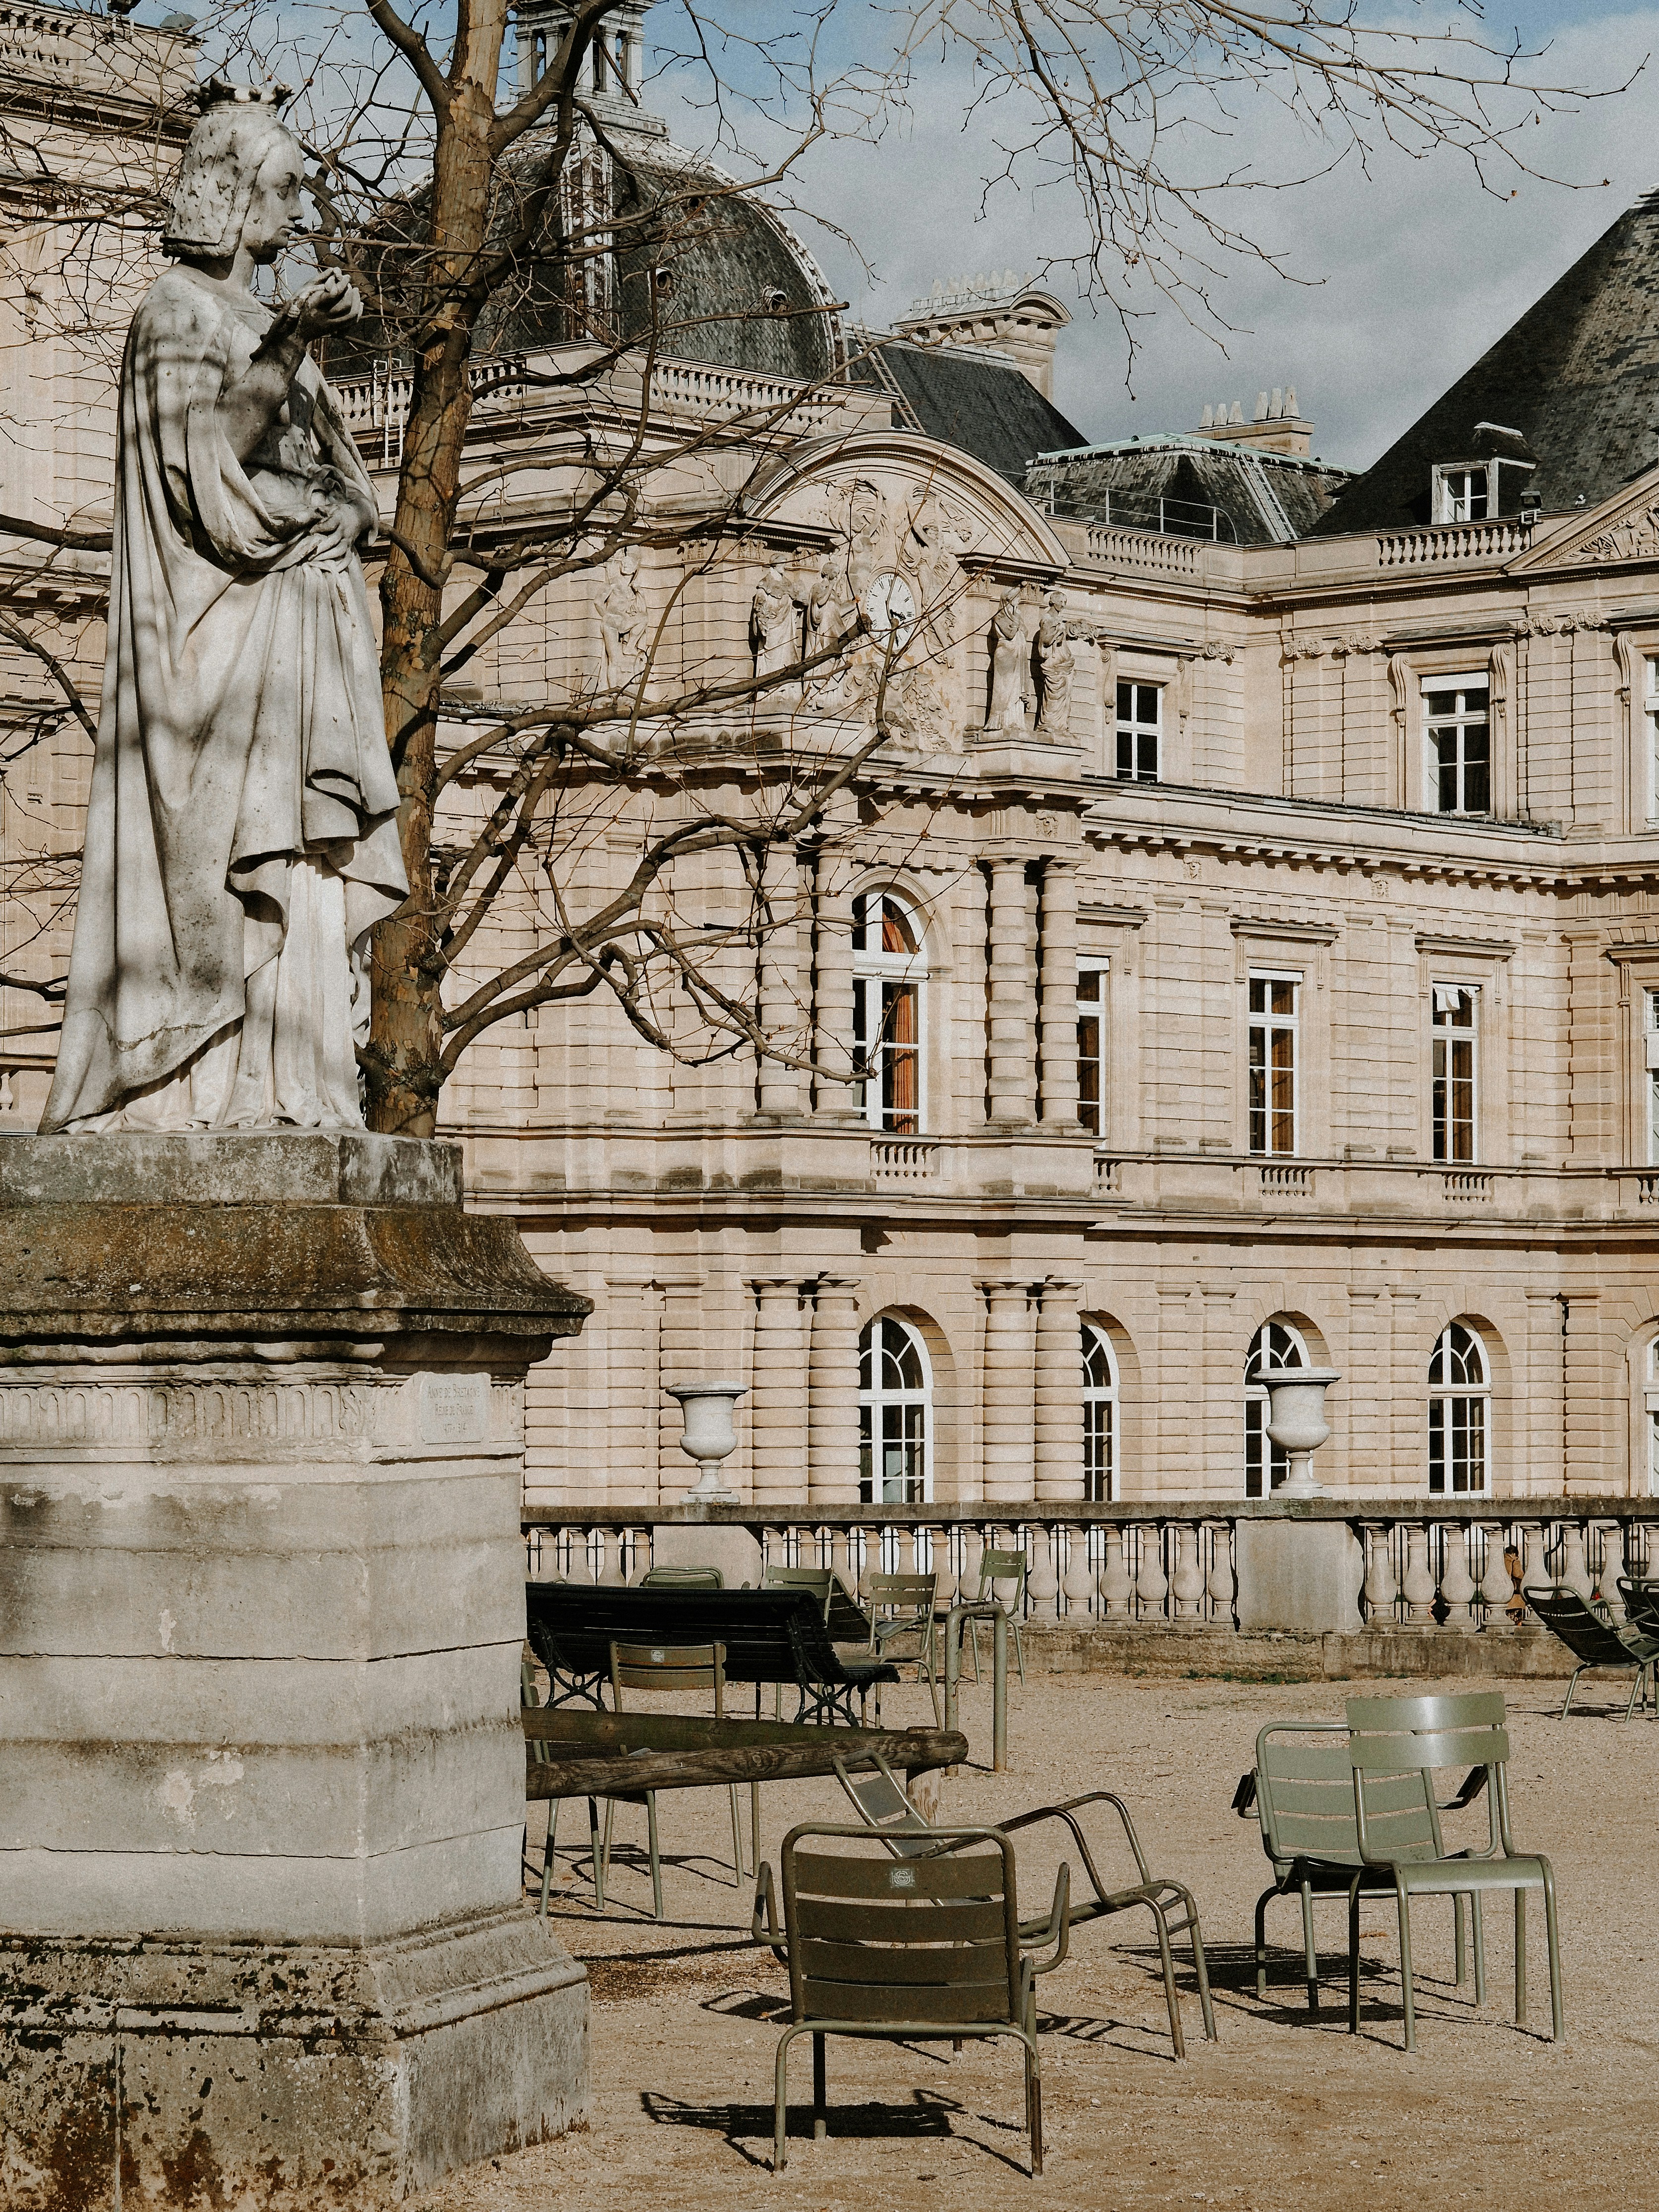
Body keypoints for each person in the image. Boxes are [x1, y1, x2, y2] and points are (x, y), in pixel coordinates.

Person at [42, 82, 406, 1134]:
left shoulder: (260, 316)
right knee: (230, 857)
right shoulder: (175, 312)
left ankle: (291, 1085)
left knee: (301, 860)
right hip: (220, 641)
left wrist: (340, 513)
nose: (300, 211)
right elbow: (208, 476)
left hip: (301, 624)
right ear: (234, 193)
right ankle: (199, 1087)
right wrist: (289, 340)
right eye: (287, 190)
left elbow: (350, 490)